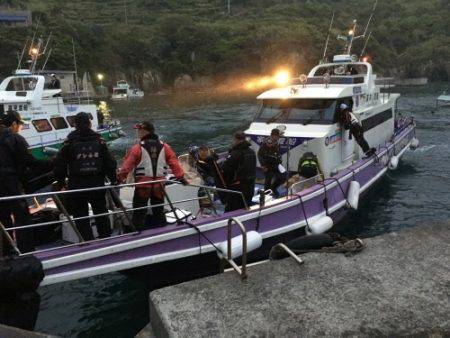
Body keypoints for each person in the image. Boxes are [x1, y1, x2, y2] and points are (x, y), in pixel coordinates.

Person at [53, 112, 117, 240]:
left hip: (77, 185)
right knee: (101, 213)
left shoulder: (68, 143)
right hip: (96, 183)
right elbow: (110, 164)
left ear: (75, 125)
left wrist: (61, 183)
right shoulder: (100, 142)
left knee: (81, 217)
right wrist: (113, 179)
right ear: (90, 123)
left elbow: (59, 166)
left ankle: (87, 242)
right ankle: (105, 239)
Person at [117, 121, 186, 230]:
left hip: (143, 186)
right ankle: (162, 232)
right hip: (159, 185)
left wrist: (119, 179)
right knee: (158, 212)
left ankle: (137, 235)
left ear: (144, 131)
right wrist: (181, 177)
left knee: (139, 214)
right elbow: (174, 163)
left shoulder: (137, 148)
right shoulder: (165, 147)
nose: (137, 133)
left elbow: (126, 167)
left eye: (139, 130)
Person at [0, 111, 52, 253]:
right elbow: (29, 161)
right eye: (19, 125)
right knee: (22, 216)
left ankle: (6, 250)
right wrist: (50, 163)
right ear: (14, 124)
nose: (19, 128)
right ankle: (26, 249)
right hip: (11, 182)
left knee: (4, 217)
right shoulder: (16, 139)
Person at [222, 131, 256, 212]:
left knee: (230, 210)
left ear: (236, 140)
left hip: (238, 187)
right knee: (246, 207)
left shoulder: (235, 154)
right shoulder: (252, 152)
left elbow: (225, 168)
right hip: (250, 185)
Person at [258, 128, 285, 197]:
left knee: (282, 177)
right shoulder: (266, 144)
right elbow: (259, 154)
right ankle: (266, 195)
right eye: (276, 136)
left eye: (278, 136)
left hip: (276, 164)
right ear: (272, 135)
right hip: (268, 165)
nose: (278, 137)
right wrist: (263, 165)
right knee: (268, 180)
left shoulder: (277, 143)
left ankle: (273, 188)